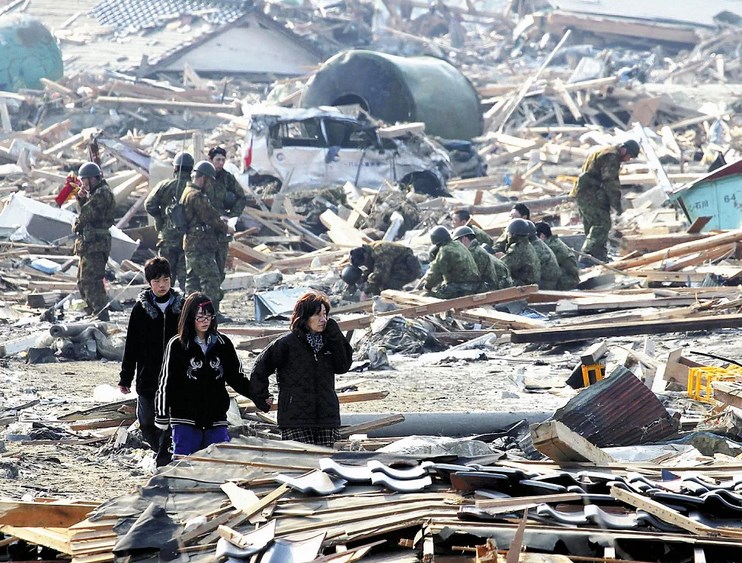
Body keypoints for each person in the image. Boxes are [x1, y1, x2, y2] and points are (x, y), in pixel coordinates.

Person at [249, 291, 353, 448]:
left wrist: (336, 335)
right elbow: (260, 369)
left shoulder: (329, 342)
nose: (323, 320)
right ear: (304, 317)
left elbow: (343, 366)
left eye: (325, 315)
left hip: (327, 418)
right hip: (295, 419)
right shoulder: (286, 344)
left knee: (326, 466)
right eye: (317, 315)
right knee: (300, 465)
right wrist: (262, 397)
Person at [154, 292, 252, 457]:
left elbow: (237, 377)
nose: (205, 321)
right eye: (200, 317)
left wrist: (260, 397)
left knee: (219, 464)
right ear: (189, 317)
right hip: (185, 419)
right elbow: (165, 383)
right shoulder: (177, 345)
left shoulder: (223, 344)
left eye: (209, 316)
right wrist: (162, 415)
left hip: (216, 418)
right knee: (183, 465)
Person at [119, 257, 183, 466]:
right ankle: (160, 449)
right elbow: (131, 346)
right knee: (146, 421)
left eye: (165, 279)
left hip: (176, 376)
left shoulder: (182, 307)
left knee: (171, 421)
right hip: (148, 376)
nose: (162, 285)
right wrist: (125, 378)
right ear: (149, 283)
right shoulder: (141, 310)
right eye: (157, 281)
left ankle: (166, 456)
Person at [570, 139, 640, 261]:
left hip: (583, 193)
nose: (628, 160)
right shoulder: (612, 157)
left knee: (592, 226)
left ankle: (598, 257)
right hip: (592, 195)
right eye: (629, 156)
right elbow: (610, 183)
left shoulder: (603, 150)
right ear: (624, 149)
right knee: (602, 225)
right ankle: (587, 257)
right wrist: (617, 206)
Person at [181, 160, 232, 318]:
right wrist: (227, 228)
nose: (210, 185)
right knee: (211, 279)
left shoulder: (186, 191)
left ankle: (190, 313)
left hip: (191, 244)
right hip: (201, 245)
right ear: (202, 178)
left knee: (193, 281)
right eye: (209, 180)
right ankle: (212, 314)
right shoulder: (196, 196)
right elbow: (211, 217)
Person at [144, 152, 194, 290]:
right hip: (188, 238)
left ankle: (163, 309)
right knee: (187, 280)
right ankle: (186, 308)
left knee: (163, 278)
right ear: (191, 169)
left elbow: (149, 205)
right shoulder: (194, 188)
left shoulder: (165, 185)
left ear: (175, 168)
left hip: (167, 237)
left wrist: (160, 217)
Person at [73, 162, 115, 321]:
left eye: (85, 181)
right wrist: (81, 199)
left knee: (92, 281)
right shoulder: (96, 193)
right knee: (83, 280)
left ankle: (101, 315)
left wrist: (77, 223)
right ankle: (93, 311)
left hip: (97, 244)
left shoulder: (102, 194)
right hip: (91, 243)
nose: (83, 184)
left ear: (93, 179)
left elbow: (85, 216)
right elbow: (86, 212)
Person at [206, 147, 247, 285]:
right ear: (210, 160)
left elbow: (241, 197)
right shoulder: (202, 176)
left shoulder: (227, 178)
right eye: (218, 160)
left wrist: (233, 217)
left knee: (220, 263)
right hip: (205, 226)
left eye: (223, 160)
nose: (221, 163)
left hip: (222, 225)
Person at [423, 226, 482, 298]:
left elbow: (435, 273)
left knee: (427, 296)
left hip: (459, 289)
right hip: (476, 286)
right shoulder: (459, 244)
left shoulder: (445, 251)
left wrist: (427, 286)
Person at [346, 242, 422, 296]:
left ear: (365, 255)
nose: (365, 265)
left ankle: (394, 302)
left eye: (364, 263)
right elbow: (371, 268)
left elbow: (380, 274)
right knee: (374, 283)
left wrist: (365, 291)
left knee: (385, 285)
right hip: (394, 266)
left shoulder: (380, 252)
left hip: (408, 267)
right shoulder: (369, 251)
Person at [452, 226, 512, 291]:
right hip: (497, 284)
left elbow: (469, 277)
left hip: (494, 287)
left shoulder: (475, 254)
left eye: (457, 242)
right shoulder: (476, 250)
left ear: (464, 239)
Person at [535, 222, 580, 290]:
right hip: (568, 278)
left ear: (542, 236)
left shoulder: (551, 247)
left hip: (566, 282)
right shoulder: (553, 242)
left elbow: (548, 271)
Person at [501, 219, 540, 287]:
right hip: (531, 282)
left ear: (513, 235)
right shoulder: (527, 244)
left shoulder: (518, 248)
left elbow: (502, 266)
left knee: (500, 281)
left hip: (524, 285)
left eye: (509, 233)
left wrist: (496, 259)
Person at [526, 221, 560, 290]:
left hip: (556, 284)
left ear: (541, 235)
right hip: (552, 281)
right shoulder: (549, 243)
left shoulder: (542, 247)